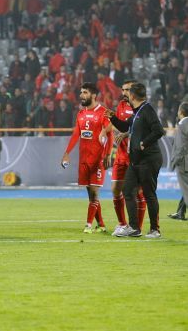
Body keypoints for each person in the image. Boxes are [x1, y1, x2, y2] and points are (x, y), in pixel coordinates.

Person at [108, 82, 166, 238]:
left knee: (149, 194)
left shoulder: (147, 110)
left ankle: (155, 230)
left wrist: (144, 143)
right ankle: (134, 228)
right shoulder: (136, 112)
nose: (125, 95)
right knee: (127, 191)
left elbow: (159, 130)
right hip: (136, 160)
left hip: (149, 159)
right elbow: (124, 127)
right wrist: (112, 117)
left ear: (132, 95)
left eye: (128, 92)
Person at [61, 83, 114, 233]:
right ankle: (101, 225)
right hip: (84, 160)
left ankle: (88, 225)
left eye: (85, 92)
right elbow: (76, 134)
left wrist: (108, 154)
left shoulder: (103, 112)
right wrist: (67, 153)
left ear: (93, 95)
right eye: (81, 92)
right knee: (91, 195)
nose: (81, 95)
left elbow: (110, 134)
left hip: (98, 160)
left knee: (95, 193)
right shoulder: (81, 114)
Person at [108, 81, 147, 235]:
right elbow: (119, 125)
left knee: (137, 192)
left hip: (134, 155)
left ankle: (137, 227)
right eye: (123, 90)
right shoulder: (121, 106)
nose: (124, 93)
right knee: (115, 189)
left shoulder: (141, 108)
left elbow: (141, 128)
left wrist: (126, 133)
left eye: (127, 90)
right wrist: (112, 131)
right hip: (121, 154)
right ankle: (123, 224)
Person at [169, 103, 188, 223]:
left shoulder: (183, 124)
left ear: (181, 112)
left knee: (186, 187)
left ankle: (180, 212)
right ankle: (180, 212)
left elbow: (180, 147)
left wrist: (175, 161)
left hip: (183, 162)